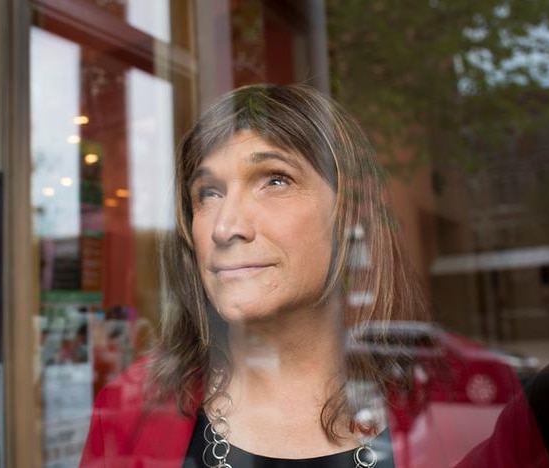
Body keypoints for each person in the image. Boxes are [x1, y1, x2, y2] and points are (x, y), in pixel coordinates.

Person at [78, 83, 439, 468]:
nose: (225, 226)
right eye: (209, 192)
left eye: (275, 180)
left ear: (348, 213)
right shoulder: (128, 413)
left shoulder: (462, 409)